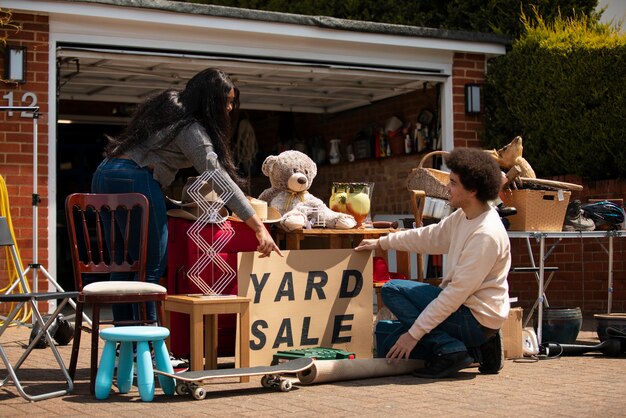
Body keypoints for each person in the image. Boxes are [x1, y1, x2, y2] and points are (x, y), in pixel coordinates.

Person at [92, 68, 282, 324]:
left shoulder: (168, 104)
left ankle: (124, 343)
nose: (229, 108)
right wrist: (258, 227)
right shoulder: (190, 129)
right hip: (135, 179)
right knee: (149, 266)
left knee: (124, 262)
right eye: (226, 101)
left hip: (105, 173)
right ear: (209, 101)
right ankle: (146, 344)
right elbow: (218, 177)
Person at [355, 147, 511, 378]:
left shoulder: (485, 235)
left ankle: (451, 350)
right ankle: (479, 348)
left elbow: (454, 296)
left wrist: (413, 335)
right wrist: (382, 243)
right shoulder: (464, 215)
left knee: (393, 289)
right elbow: (429, 237)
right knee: (408, 300)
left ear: (473, 190)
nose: (447, 187)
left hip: (475, 318)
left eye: (454, 183)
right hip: (473, 312)